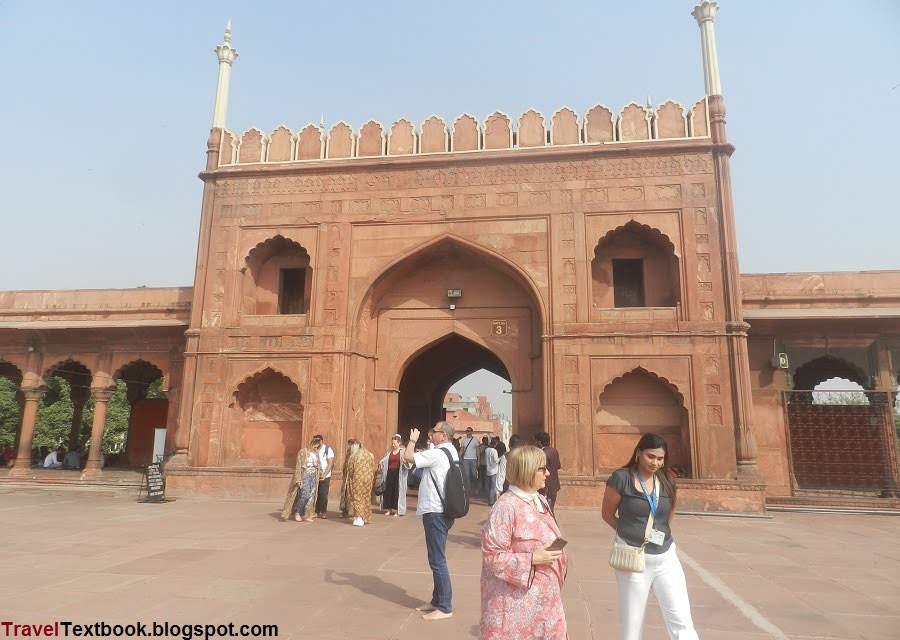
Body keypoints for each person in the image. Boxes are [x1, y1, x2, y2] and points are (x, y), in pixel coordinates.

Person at [601, 433, 699, 640]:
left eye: (660, 458)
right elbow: (607, 514)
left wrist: (653, 534)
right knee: (632, 626)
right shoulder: (622, 478)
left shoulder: (667, 481)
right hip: (633, 560)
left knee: (682, 621)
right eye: (650, 456)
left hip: (666, 558)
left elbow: (667, 517)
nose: (655, 462)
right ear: (638, 453)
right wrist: (629, 533)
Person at [480, 445, 568, 639]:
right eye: (542, 469)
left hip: (545, 602)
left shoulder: (540, 501)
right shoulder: (505, 507)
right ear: (527, 470)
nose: (548, 473)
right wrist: (532, 558)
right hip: (517, 608)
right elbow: (493, 557)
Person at [403, 421, 459, 621]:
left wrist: (412, 440)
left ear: (443, 435)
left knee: (437, 560)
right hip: (444, 510)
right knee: (436, 558)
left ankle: (444, 606)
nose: (431, 434)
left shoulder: (437, 453)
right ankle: (437, 600)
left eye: (435, 431)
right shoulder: (451, 451)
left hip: (435, 510)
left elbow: (408, 457)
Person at [280, 437, 321, 522]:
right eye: (315, 446)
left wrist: (318, 467)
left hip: (313, 475)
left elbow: (319, 465)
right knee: (304, 494)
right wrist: (298, 479)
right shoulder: (303, 452)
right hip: (304, 475)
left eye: (317, 446)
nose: (316, 448)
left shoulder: (316, 453)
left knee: (311, 495)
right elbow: (298, 466)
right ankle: (297, 512)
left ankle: (307, 514)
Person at [342, 440, 376, 526]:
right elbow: (373, 468)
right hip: (368, 480)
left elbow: (350, 469)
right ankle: (366, 517)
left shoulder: (354, 456)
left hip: (357, 480)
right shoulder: (370, 455)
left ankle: (359, 518)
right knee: (366, 498)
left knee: (357, 498)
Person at [378, 434, 412, 516]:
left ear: (399, 443)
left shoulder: (403, 451)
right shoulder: (390, 452)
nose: (393, 445)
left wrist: (405, 462)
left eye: (395, 443)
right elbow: (385, 459)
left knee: (397, 492)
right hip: (389, 473)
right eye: (392, 443)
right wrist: (381, 462)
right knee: (388, 491)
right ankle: (389, 509)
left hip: (398, 474)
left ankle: (398, 510)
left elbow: (409, 461)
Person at [535, 431, 562, 512]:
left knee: (546, 512)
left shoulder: (542, 453)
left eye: (536, 441)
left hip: (546, 488)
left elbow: (542, 470)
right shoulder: (554, 451)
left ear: (539, 442)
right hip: (554, 486)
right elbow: (558, 465)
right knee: (551, 510)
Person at [313, 434, 335, 519]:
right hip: (315, 474)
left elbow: (330, 463)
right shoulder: (313, 449)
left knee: (323, 494)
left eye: (317, 442)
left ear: (321, 441)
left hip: (325, 475)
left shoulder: (327, 449)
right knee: (316, 494)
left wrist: (325, 474)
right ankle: (316, 511)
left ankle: (323, 511)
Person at [458, 427, 479, 495]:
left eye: (469, 431)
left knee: (474, 475)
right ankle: (468, 489)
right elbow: (462, 450)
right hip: (465, 459)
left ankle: (475, 488)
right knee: (466, 475)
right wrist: (458, 457)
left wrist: (479, 460)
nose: (467, 432)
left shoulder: (475, 440)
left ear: (472, 432)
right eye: (466, 431)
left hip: (473, 459)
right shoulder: (463, 440)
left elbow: (478, 451)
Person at [483, 440, 500, 506]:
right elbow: (496, 460)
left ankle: (489, 499)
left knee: (489, 486)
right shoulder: (494, 451)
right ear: (495, 444)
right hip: (494, 470)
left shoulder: (487, 450)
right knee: (493, 486)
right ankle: (491, 501)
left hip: (488, 469)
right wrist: (501, 458)